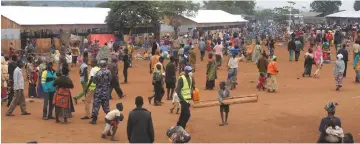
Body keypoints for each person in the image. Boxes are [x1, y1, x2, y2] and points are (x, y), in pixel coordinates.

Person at [89, 60, 111, 124]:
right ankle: (109, 118)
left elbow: (94, 81)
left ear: (100, 65)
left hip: (98, 92)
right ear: (105, 65)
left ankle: (94, 120)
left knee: (96, 106)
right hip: (106, 91)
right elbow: (110, 80)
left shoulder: (97, 73)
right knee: (106, 106)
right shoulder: (108, 72)